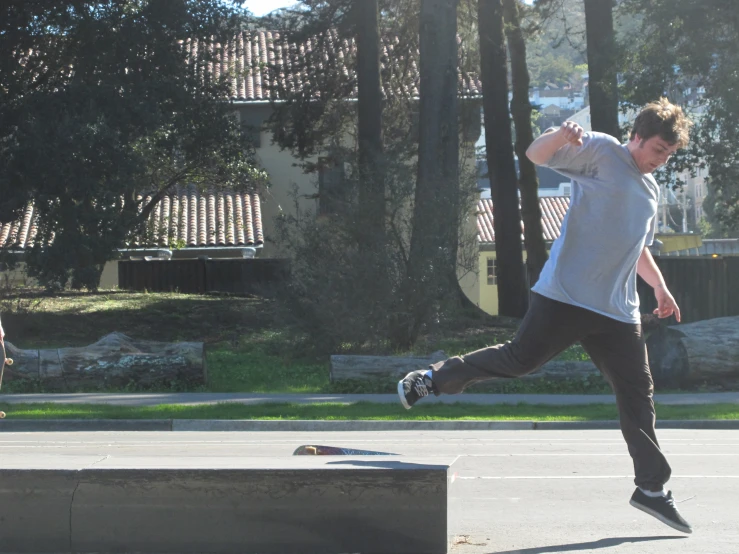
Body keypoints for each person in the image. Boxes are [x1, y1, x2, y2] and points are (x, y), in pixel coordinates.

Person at [398, 98, 693, 534]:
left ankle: (651, 489)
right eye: (655, 149)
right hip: (567, 296)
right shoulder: (603, 151)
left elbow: (637, 247)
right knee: (520, 360)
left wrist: (659, 285)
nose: (658, 160)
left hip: (617, 311)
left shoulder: (649, 191)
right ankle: (432, 378)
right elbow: (536, 155)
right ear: (637, 137)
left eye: (667, 155)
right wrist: (559, 136)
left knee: (638, 395)